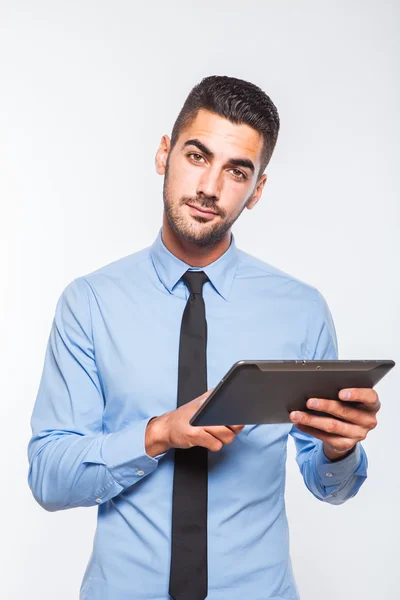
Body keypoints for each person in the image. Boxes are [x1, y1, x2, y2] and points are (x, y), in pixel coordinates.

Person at [27, 75, 380, 600]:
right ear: (164, 154)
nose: (210, 188)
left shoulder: (301, 311)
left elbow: (331, 486)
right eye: (197, 156)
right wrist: (157, 434)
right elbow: (49, 478)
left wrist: (337, 452)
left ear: (257, 190)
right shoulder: (91, 303)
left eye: (236, 171)